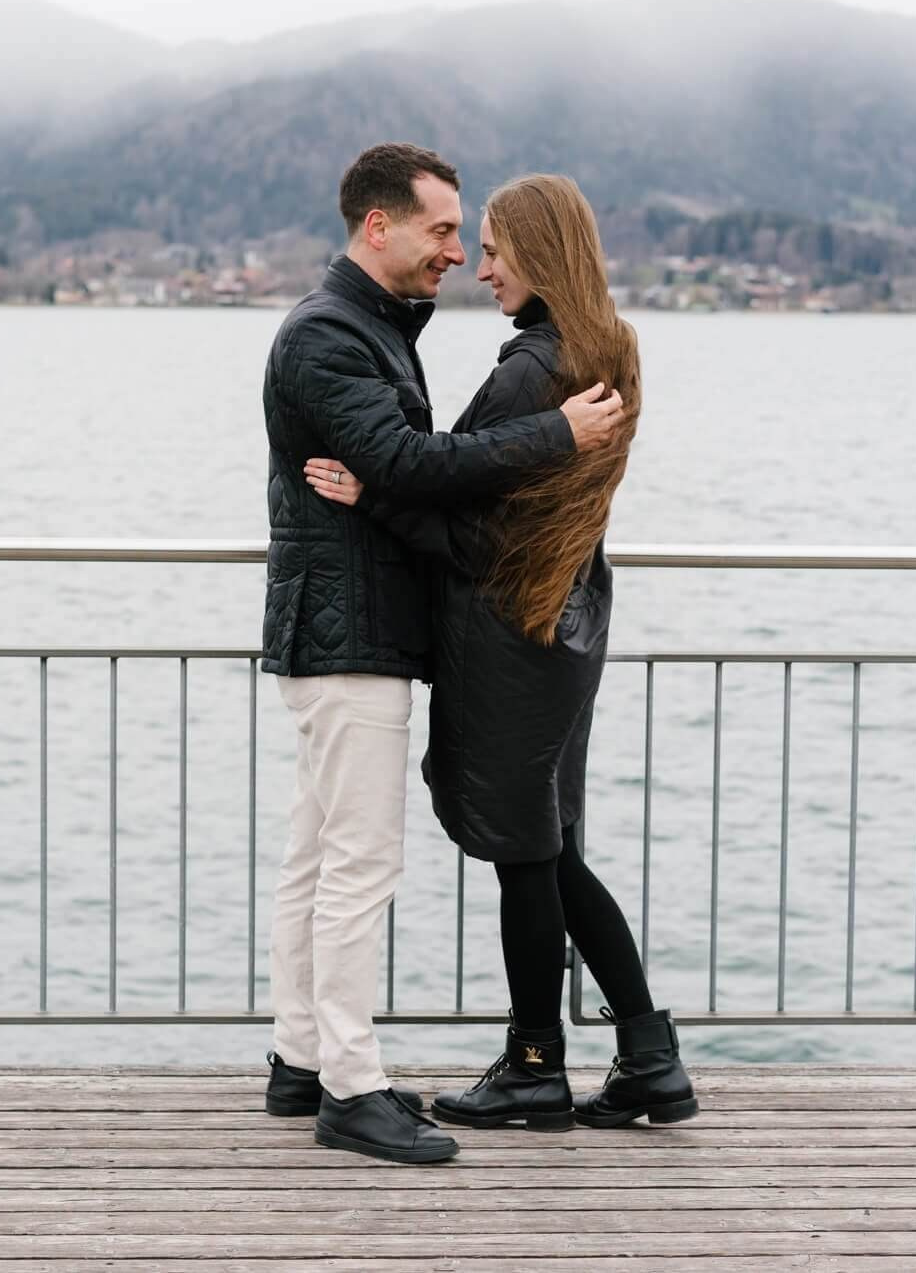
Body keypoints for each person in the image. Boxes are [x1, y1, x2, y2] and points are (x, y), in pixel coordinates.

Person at [304, 173, 698, 1133]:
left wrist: (379, 498)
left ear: (539, 251)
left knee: (528, 857)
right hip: (568, 626)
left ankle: (535, 1066)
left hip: (513, 637)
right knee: (551, 852)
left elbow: (482, 538)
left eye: (493, 249)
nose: (479, 268)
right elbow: (529, 520)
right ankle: (648, 1058)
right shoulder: (611, 350)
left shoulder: (531, 370)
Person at [260, 144, 627, 1164]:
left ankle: (300, 1059)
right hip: (349, 635)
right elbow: (407, 465)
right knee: (357, 862)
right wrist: (554, 432)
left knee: (314, 855)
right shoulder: (330, 338)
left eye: (468, 237)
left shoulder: (369, 328)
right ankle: (350, 1084)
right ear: (375, 225)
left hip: (355, 630)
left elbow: (400, 473)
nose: (455, 254)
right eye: (438, 231)